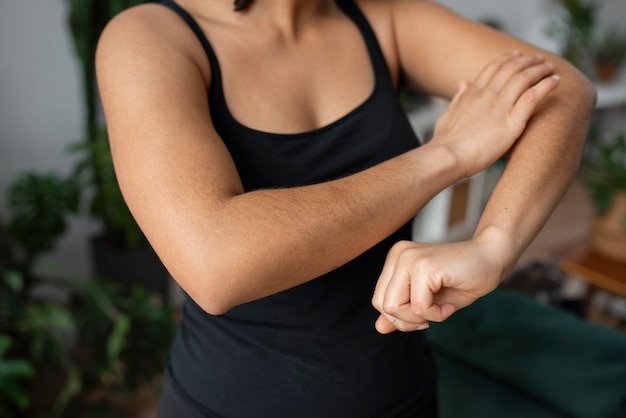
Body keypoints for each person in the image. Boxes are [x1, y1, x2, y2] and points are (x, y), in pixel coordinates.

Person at [95, 0, 595, 416]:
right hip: (229, 402)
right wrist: (444, 156)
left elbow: (564, 91)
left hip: (401, 397)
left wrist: (494, 245)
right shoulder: (152, 37)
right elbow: (214, 263)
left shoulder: (382, 17)